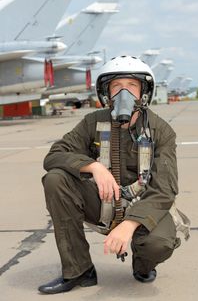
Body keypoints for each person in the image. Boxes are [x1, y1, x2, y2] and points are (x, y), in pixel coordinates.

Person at [38, 55, 187, 295]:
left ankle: (143, 264)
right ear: (106, 93)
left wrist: (128, 225)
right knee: (56, 179)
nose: (123, 94)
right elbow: (54, 155)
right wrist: (93, 167)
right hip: (103, 200)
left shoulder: (161, 131)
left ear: (144, 93)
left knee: (158, 244)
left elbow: (164, 189)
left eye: (131, 86)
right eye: (117, 86)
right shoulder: (93, 122)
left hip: (146, 204)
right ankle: (79, 270)